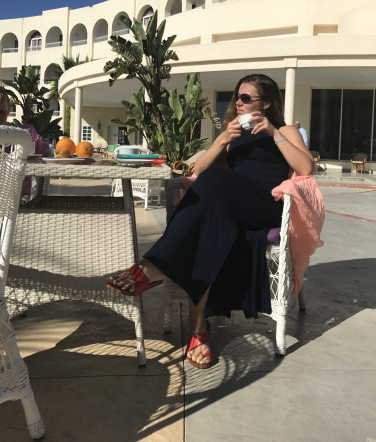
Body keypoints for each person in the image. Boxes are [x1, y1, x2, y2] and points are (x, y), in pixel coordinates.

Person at [107, 74, 314, 368]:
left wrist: (272, 132)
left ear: (266, 103)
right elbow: (197, 171)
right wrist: (222, 139)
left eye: (246, 98)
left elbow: (306, 168)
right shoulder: (233, 135)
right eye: (236, 97)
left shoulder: (286, 130)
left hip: (266, 204)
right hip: (230, 207)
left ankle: (154, 267)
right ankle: (197, 329)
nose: (238, 102)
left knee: (216, 180)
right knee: (207, 227)